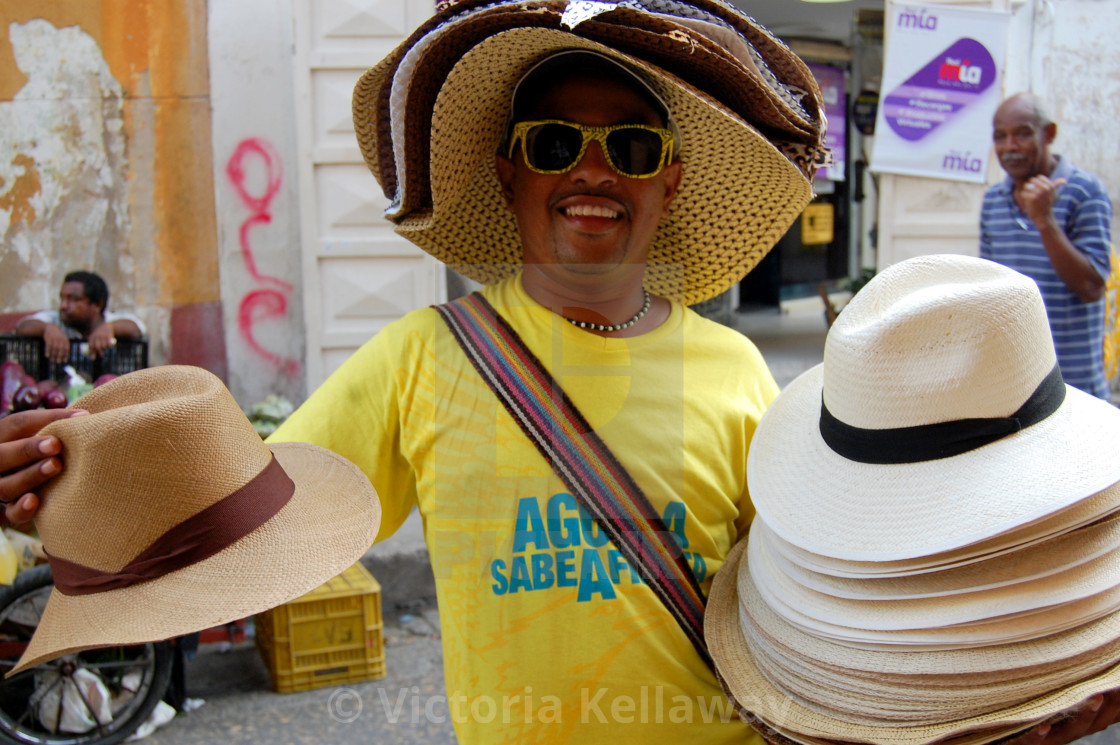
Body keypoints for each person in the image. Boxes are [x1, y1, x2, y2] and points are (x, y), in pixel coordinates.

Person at [1, 7, 1118, 745]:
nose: (592, 172)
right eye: (553, 144)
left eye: (629, 148)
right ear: (507, 170)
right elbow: (254, 523)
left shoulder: (739, 374)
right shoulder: (420, 361)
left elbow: (819, 605)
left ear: (669, 182)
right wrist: (83, 490)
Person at [980, 92, 1113, 399]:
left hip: (1076, 389)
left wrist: (1045, 221)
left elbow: (1092, 287)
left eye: (1023, 134)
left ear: (1049, 133)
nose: (1010, 147)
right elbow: (988, 291)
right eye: (1000, 137)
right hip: (1017, 389)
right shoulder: (993, 201)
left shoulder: (1084, 192)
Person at [15, 270, 145, 364]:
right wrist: (47, 328)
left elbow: (135, 328)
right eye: (62, 298)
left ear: (97, 305)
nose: (64, 306)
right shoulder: (56, 320)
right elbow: (22, 327)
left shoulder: (110, 321)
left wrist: (110, 328)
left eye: (74, 300)